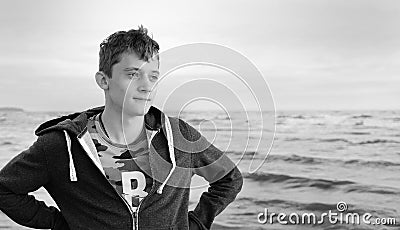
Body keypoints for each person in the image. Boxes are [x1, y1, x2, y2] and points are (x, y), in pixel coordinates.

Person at [0, 26, 243, 229]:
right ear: (103, 80)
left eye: (153, 76)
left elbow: (229, 179)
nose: (146, 86)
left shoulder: (179, 136)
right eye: (133, 75)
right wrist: (61, 224)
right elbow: (5, 189)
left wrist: (195, 224)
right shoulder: (61, 145)